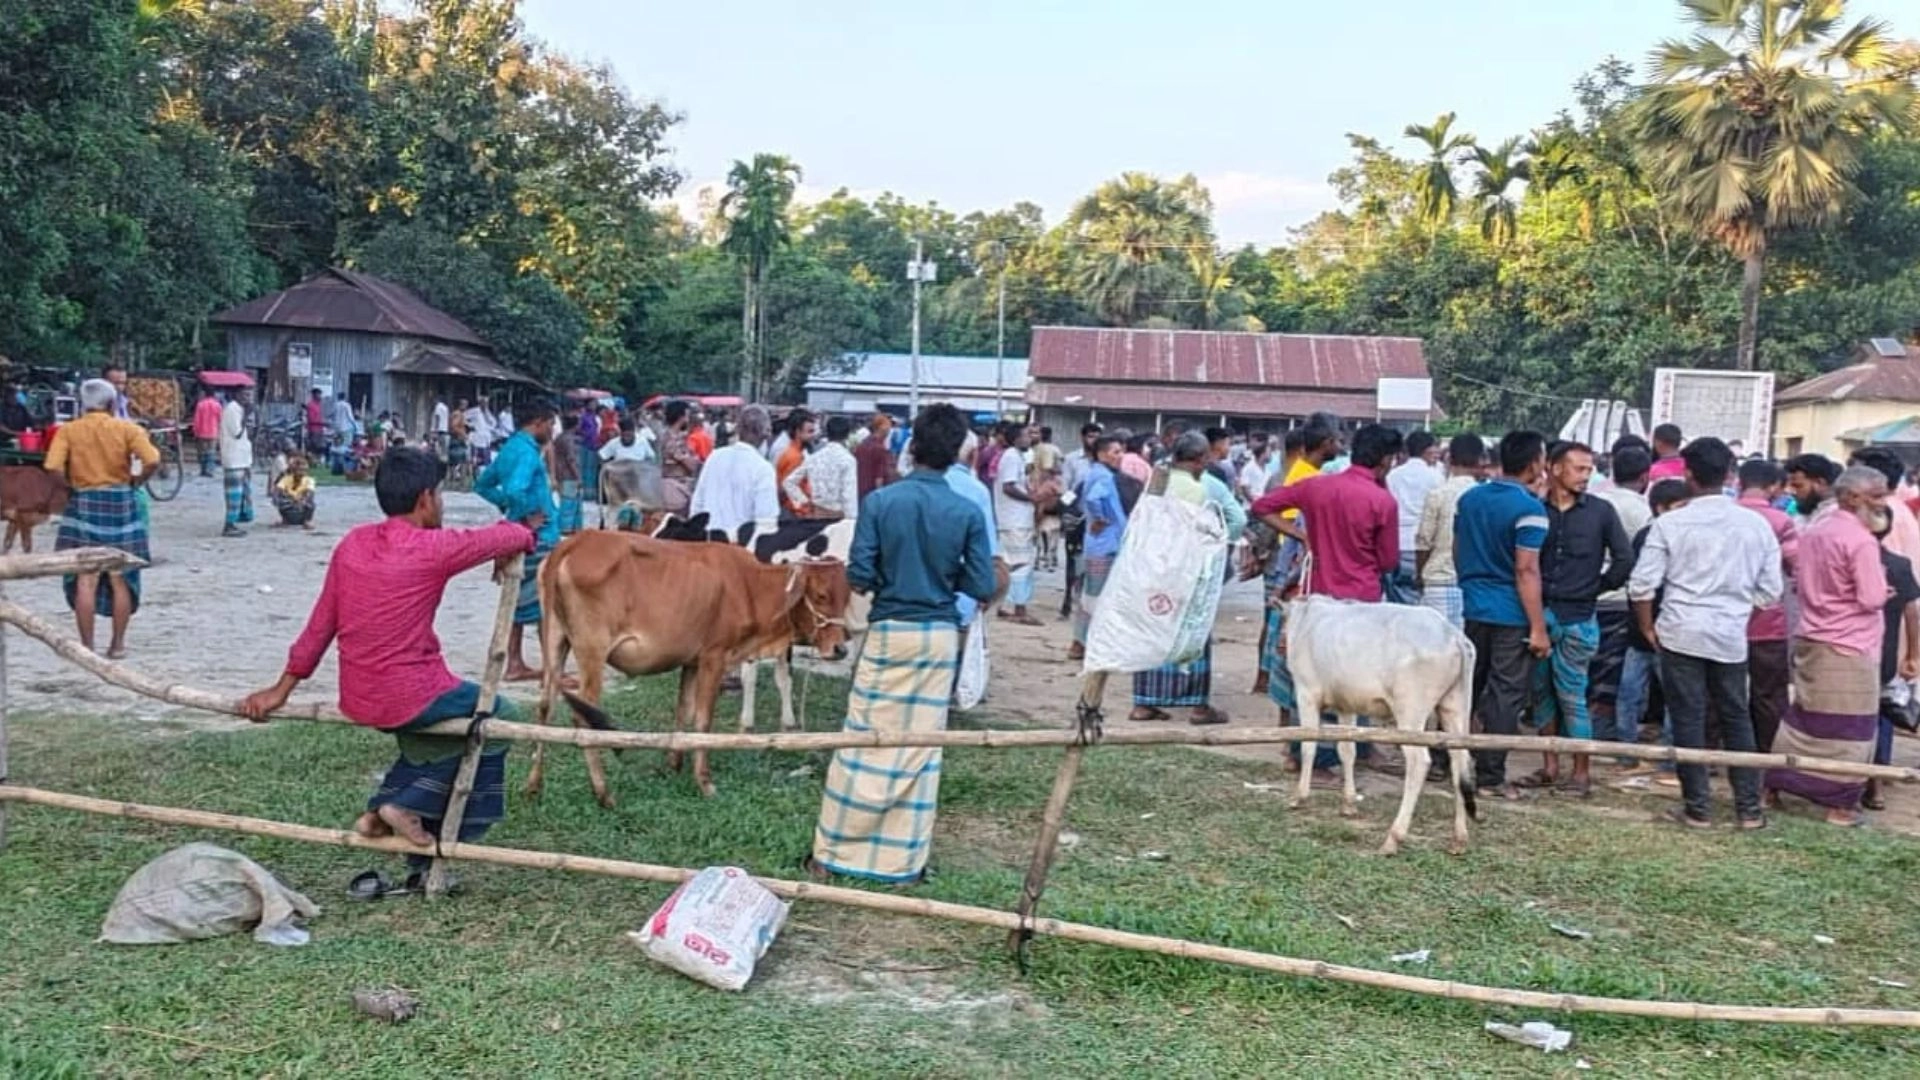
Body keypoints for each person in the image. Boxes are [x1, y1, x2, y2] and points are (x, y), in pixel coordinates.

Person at [241, 447, 538, 882]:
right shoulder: (433, 547)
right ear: (424, 500)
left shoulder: (353, 543)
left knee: (431, 740)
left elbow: (319, 626)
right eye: (439, 495)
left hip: (359, 696)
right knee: (502, 718)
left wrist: (279, 691)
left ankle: (383, 818)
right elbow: (511, 536)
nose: (441, 504)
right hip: (412, 694)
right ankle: (404, 805)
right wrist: (521, 533)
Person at [806, 403, 997, 885]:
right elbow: (979, 584)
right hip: (937, 639)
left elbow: (862, 576)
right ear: (956, 453)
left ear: (911, 447)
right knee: (919, 748)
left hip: (889, 632)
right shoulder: (967, 510)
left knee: (861, 739)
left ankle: (831, 854)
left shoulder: (881, 503)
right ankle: (902, 864)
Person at [1629, 437, 1780, 829]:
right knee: (1737, 717)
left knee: (1688, 718)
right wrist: (1737, 612)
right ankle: (1749, 808)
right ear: (1730, 473)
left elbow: (1642, 586)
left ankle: (1698, 808)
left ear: (1688, 474)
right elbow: (1770, 591)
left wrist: (1647, 626)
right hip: (1729, 634)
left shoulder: (1670, 523)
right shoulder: (1755, 525)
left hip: (1679, 630)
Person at [1252, 424, 1402, 776]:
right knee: (1362, 674)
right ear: (1385, 460)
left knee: (1313, 678)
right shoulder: (1382, 501)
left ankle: (1314, 752)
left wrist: (1301, 535)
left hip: (1319, 599)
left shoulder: (1317, 486)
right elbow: (1389, 561)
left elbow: (1262, 506)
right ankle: (1353, 748)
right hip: (1363, 600)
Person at [1762, 466, 1888, 826]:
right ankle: (1841, 806)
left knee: (1803, 718)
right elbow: (1871, 596)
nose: (1882, 503)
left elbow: (1802, 580)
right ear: (1851, 498)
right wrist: (1884, 590)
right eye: (1876, 496)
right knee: (1850, 728)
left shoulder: (1816, 530)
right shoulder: (1861, 540)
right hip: (1848, 644)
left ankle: (1772, 787)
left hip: (1811, 634)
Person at [1519, 441, 1633, 797]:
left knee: (1573, 695)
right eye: (1579, 468)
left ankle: (1581, 772)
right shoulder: (1535, 510)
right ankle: (1551, 765)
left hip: (1579, 615)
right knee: (1541, 695)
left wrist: (1594, 588)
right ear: (1554, 468)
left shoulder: (1601, 511)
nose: (1586, 475)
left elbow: (1624, 559)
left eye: (1589, 469)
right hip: (1539, 615)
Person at [1452, 431, 1552, 800]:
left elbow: (1458, 548)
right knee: (1506, 694)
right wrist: (1538, 627)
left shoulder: (1470, 499)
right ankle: (1491, 775)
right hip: (1511, 612)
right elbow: (1526, 570)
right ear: (1535, 464)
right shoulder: (1530, 510)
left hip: (1474, 605)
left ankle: (1444, 756)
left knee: (1466, 686)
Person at [1130, 432, 1248, 725]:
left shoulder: (1157, 480)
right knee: (1195, 630)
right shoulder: (1207, 487)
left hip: (1155, 567)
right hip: (1191, 570)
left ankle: (1144, 702)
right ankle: (1197, 706)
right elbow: (1239, 520)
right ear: (1199, 459)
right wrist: (1220, 544)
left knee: (1153, 627)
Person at [43, 379, 160, 658]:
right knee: (120, 576)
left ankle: (86, 647)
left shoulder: (69, 430)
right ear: (111, 403)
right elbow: (152, 459)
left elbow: (51, 466)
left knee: (86, 577)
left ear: (84, 404)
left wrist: (68, 487)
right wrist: (136, 481)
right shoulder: (127, 429)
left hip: (84, 501)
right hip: (121, 502)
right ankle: (117, 645)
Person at [476, 399, 561, 683]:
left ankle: (515, 662)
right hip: (537, 536)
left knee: (516, 598)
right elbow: (515, 488)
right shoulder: (526, 453)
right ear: (538, 422)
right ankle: (551, 669)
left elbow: (483, 485)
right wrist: (526, 517)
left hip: (519, 533)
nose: (552, 429)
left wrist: (508, 509)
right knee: (542, 603)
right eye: (550, 423)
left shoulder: (510, 448)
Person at [1615, 479, 1690, 767]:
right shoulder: (1654, 535)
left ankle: (1636, 753)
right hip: (1653, 628)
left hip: (1651, 626)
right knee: (1639, 693)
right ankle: (1640, 753)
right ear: (1661, 508)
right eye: (1680, 507)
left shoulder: (1657, 534)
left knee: (1636, 692)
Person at [1587, 445, 1654, 750]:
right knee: (1611, 673)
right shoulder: (1643, 511)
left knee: (1586, 666)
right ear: (1645, 475)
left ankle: (1579, 728)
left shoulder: (1594, 502)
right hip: (1621, 598)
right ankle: (1602, 730)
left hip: (1589, 595)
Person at [1735, 459, 1799, 752]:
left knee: (1719, 692)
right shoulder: (1781, 522)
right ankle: (1768, 753)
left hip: (1725, 619)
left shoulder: (1726, 514)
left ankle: (1712, 753)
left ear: (1739, 482)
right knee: (1769, 694)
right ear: (1773, 487)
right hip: (1768, 622)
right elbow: (1796, 565)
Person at [1866, 508, 1920, 812]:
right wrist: (1913, 654)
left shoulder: (1855, 562)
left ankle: (1869, 782)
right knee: (1877, 717)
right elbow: (1913, 612)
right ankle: (1877, 781)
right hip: (1884, 655)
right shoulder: (1899, 565)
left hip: (1855, 651)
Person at [1414, 433, 1486, 630]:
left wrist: (1419, 575)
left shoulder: (1438, 495)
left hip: (1438, 580)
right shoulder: (1483, 497)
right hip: (1474, 583)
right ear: (1481, 460)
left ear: (1449, 459)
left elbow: (1423, 542)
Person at [1069, 435, 1128, 661]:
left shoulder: (1095, 473)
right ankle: (1082, 643)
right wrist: (1101, 518)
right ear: (1102, 454)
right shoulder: (1103, 476)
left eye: (1121, 451)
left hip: (1100, 543)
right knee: (1095, 596)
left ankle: (1084, 642)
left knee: (1091, 594)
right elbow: (1094, 499)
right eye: (1115, 452)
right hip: (1105, 544)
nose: (1119, 456)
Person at [689, 404, 779, 537]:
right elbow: (766, 521)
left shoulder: (715, 457)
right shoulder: (763, 468)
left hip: (707, 542)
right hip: (739, 547)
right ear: (765, 433)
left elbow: (697, 505)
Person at [992, 422, 1042, 626]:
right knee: (1021, 563)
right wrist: (1032, 499)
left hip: (1014, 518)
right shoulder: (1012, 456)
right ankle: (1019, 608)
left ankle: (1005, 605)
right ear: (1016, 438)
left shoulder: (1019, 456)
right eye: (1025, 435)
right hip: (1015, 519)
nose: (1029, 439)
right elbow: (1008, 487)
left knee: (1009, 562)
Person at [1385, 431, 1442, 605]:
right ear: (1426, 450)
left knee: (1395, 598)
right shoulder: (1435, 477)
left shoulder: (1392, 476)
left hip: (1395, 542)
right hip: (1420, 544)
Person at [784, 415, 860, 520]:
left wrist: (804, 502)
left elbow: (789, 482)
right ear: (847, 435)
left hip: (816, 514)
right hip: (838, 517)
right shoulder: (848, 460)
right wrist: (852, 520)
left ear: (827, 433)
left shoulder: (814, 458)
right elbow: (849, 495)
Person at [220, 386, 255, 538]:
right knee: (233, 494)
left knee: (242, 492)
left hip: (241, 458)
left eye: (249, 395)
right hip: (233, 458)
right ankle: (229, 524)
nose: (248, 398)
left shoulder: (238, 409)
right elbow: (236, 432)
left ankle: (238, 518)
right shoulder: (232, 410)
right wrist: (246, 416)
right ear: (237, 395)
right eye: (245, 395)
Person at [657, 400, 703, 513]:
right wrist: (694, 460)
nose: (689, 418)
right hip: (676, 488)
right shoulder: (673, 439)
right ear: (681, 416)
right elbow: (691, 465)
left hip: (676, 486)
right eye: (687, 414)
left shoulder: (671, 436)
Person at [547, 413, 585, 535]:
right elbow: (571, 460)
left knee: (571, 502)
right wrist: (578, 477)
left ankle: (570, 528)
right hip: (569, 476)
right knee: (570, 503)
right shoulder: (568, 440)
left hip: (562, 475)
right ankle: (567, 529)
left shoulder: (560, 438)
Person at [855, 412, 897, 502]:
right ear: (882, 428)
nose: (889, 430)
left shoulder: (862, 444)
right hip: (873, 494)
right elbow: (879, 477)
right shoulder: (879, 448)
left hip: (859, 490)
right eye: (889, 427)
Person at [272, 454, 317, 529]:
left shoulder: (309, 480)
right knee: (280, 499)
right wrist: (275, 498)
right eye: (300, 470)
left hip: (302, 504)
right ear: (293, 471)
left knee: (311, 503)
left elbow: (310, 492)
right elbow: (278, 489)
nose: (302, 473)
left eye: (304, 470)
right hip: (290, 503)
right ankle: (285, 520)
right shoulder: (286, 479)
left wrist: (303, 500)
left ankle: (307, 521)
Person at [192, 387, 224, 478]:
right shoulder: (217, 405)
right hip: (213, 432)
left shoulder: (200, 405)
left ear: (205, 394)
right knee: (211, 452)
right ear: (214, 395)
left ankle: (203, 470)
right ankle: (210, 470)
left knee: (203, 452)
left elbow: (197, 420)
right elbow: (220, 419)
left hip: (201, 432)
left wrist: (195, 431)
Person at [304, 388, 327, 457]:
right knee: (314, 447)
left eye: (320, 394)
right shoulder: (311, 405)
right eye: (318, 394)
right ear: (314, 395)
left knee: (320, 447)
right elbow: (311, 420)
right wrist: (323, 423)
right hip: (314, 429)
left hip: (320, 429)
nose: (320, 396)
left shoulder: (319, 405)